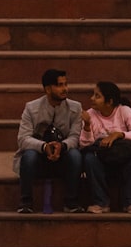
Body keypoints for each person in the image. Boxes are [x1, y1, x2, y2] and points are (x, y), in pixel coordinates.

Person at [14, 68, 85, 213]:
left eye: (66, 84)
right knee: (28, 156)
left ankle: (71, 202)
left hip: (63, 156)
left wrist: (62, 146)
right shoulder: (31, 108)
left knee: (76, 155)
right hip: (39, 156)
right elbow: (23, 139)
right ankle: (25, 203)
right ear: (48, 89)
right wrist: (44, 146)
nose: (65, 89)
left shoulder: (75, 108)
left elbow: (75, 137)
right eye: (59, 85)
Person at [80, 80, 131, 214]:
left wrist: (119, 134)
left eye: (97, 96)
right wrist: (87, 127)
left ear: (109, 102)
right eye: (93, 95)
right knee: (89, 159)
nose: (92, 99)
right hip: (101, 161)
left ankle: (130, 202)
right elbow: (84, 145)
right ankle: (101, 202)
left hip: (123, 159)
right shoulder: (90, 114)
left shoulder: (124, 111)